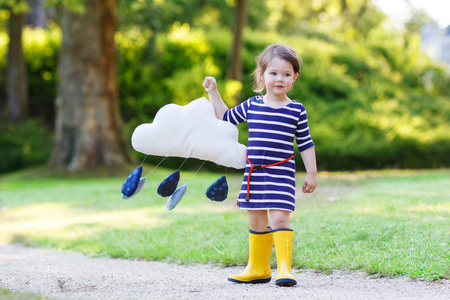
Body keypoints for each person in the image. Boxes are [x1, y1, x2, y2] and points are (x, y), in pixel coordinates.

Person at [202, 43, 317, 286]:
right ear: (262, 75)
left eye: (286, 74)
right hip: (255, 175)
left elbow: (305, 143)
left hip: (281, 173)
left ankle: (284, 269)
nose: (279, 79)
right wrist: (214, 92)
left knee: (279, 220)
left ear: (294, 78)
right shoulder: (252, 105)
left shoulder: (296, 110)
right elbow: (225, 118)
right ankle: (258, 268)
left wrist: (312, 173)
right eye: (273, 73)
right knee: (256, 221)